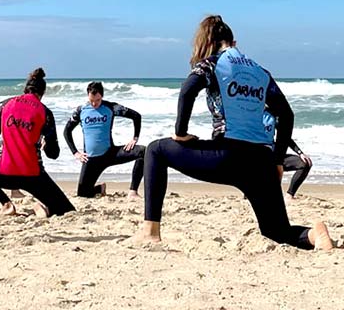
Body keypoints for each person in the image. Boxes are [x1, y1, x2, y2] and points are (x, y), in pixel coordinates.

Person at [133, 15, 333, 250]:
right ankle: (315, 235)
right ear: (233, 42)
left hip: (227, 156)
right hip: (261, 161)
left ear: (207, 41)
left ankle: (150, 232)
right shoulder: (260, 71)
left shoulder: (212, 63)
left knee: (156, 150)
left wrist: (180, 132)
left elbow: (187, 91)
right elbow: (287, 115)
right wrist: (277, 161)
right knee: (276, 231)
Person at [0, 68, 75, 219]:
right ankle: (46, 209)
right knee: (66, 210)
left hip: (4, 175)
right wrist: (45, 144)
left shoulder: (3, 106)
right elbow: (53, 154)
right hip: (34, 177)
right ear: (42, 94)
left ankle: (6, 203)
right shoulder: (45, 113)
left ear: (25, 89)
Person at [63, 81, 145, 198]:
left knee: (144, 152)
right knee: (82, 194)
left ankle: (133, 191)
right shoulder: (81, 111)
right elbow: (67, 131)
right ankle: (101, 188)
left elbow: (136, 116)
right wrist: (75, 152)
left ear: (102, 96)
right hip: (91, 160)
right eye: (91, 100)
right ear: (88, 96)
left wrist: (134, 138)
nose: (94, 103)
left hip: (110, 154)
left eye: (97, 100)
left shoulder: (111, 107)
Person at [261, 111, 313, 200]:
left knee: (305, 163)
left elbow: (284, 136)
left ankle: (290, 194)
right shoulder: (248, 116)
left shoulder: (271, 115)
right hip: (255, 156)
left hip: (274, 155)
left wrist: (300, 153)